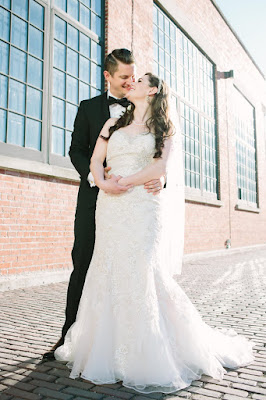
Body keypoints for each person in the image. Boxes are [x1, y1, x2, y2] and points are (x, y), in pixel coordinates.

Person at [54, 72, 254, 394]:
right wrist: (105, 184)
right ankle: (104, 351)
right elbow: (94, 159)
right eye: (130, 79)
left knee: (141, 271)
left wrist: (126, 182)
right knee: (107, 268)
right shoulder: (112, 123)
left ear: (153, 89)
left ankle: (144, 353)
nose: (131, 82)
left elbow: (160, 167)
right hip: (110, 206)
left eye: (140, 79)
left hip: (142, 207)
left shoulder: (163, 128)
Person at [43, 49, 165, 360]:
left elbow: (158, 154)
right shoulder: (88, 109)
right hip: (93, 201)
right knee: (83, 264)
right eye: (124, 77)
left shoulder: (145, 111)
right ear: (108, 76)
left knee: (131, 269)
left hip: (135, 204)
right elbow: (76, 151)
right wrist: (96, 176)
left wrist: (161, 181)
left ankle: (126, 343)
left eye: (133, 77)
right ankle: (69, 337)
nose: (129, 83)